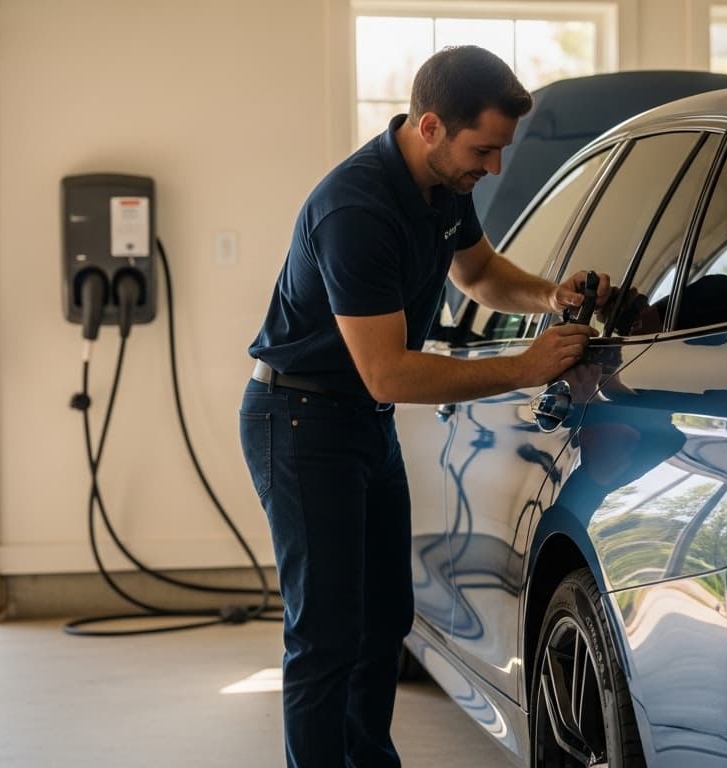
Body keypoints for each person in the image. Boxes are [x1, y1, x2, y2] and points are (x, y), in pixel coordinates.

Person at [239, 46, 610, 767]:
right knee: (324, 634)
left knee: (385, 622)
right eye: (485, 149)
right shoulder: (356, 208)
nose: (495, 168)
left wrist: (551, 296)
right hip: (300, 421)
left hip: (361, 426)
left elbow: (478, 273)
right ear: (432, 125)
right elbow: (388, 373)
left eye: (502, 150)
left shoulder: (444, 185)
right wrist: (526, 366)